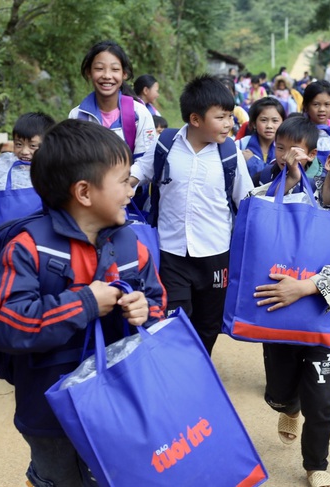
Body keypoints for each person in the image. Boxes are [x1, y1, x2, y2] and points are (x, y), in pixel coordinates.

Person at [0, 119, 165, 487]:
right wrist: (84, 302)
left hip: (120, 404)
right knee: (58, 477)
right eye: (123, 180)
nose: (131, 190)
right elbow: (6, 322)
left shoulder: (133, 245)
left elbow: (158, 304)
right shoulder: (28, 247)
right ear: (84, 192)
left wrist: (145, 311)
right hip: (50, 414)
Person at [250, 128, 330, 487]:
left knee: (322, 399)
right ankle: (288, 406)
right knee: (279, 390)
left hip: (326, 321)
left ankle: (316, 465)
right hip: (280, 317)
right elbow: (255, 207)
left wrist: (305, 287)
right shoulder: (294, 190)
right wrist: (287, 181)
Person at [131, 74, 254, 355]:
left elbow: (246, 201)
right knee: (174, 320)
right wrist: (126, 184)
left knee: (209, 324)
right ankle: (178, 372)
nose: (229, 124)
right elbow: (139, 172)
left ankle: (199, 368)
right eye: (221, 117)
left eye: (230, 117)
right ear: (196, 119)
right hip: (171, 251)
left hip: (216, 255)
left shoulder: (229, 154)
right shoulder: (166, 144)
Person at [68, 40, 156, 161]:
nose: (107, 76)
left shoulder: (139, 114)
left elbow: (146, 162)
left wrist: (125, 180)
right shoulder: (76, 116)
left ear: (124, 74)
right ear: (89, 72)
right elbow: (73, 161)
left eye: (114, 69)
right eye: (99, 68)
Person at [0, 112, 56, 243]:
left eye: (33, 146)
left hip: (38, 249)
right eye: (19, 144)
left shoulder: (53, 176)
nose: (24, 151)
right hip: (1, 247)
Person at [252, 115, 319, 187]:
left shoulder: (319, 184)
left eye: (294, 151)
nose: (285, 156)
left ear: (311, 154)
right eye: (280, 148)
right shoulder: (264, 177)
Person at [237, 97, 285, 177]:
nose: (269, 126)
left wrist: (252, 161)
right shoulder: (241, 145)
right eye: (263, 120)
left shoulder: (286, 148)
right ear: (253, 123)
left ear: (283, 123)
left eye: (275, 121)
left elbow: (277, 176)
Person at [302, 81, 330, 174]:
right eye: (316, 104)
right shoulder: (300, 130)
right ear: (306, 107)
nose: (322, 109)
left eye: (327, 104)